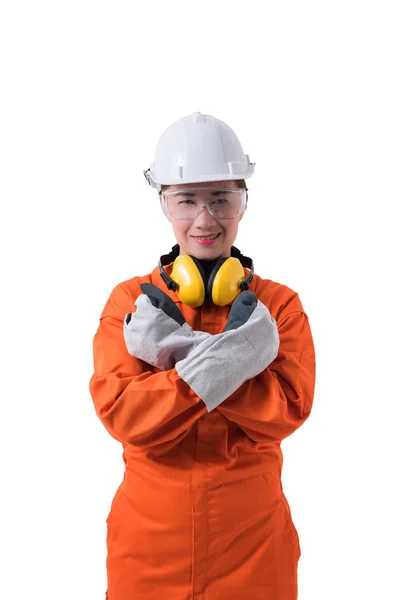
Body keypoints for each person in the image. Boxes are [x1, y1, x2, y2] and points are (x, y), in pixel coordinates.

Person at [89, 111, 316, 600]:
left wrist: (172, 355)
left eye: (221, 199)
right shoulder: (130, 301)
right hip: (148, 550)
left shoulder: (280, 305)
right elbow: (124, 414)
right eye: (187, 200)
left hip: (254, 549)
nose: (205, 219)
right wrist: (239, 357)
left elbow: (287, 408)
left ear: (244, 202)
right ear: (164, 204)